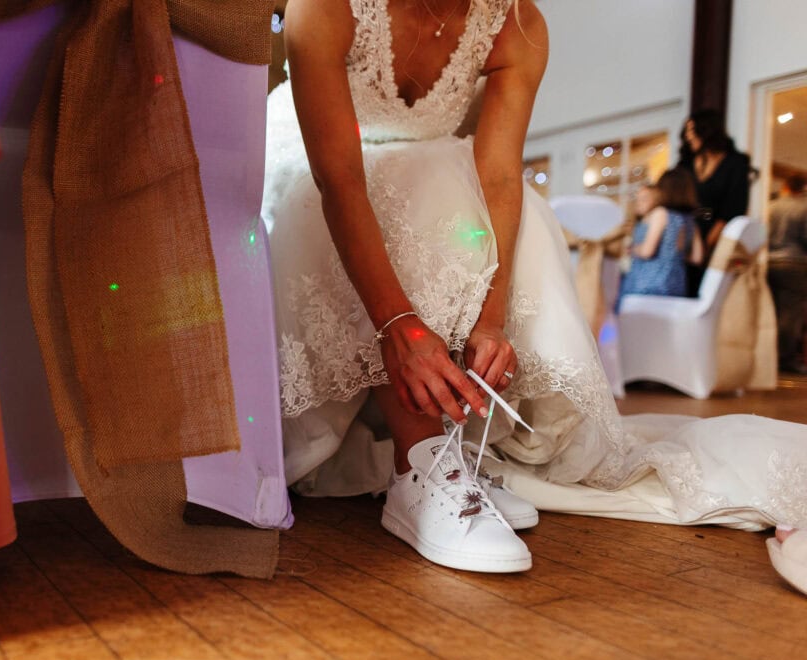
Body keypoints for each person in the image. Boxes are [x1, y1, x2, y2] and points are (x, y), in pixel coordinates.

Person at [264, 0, 806, 574]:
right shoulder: (323, 8)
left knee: (487, 205)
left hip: (425, 166)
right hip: (315, 163)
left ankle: (448, 448)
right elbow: (341, 178)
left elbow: (499, 174)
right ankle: (416, 464)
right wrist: (399, 324)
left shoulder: (517, 26)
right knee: (407, 189)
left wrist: (489, 318)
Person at [678, 109, 753, 296]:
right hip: (686, 234)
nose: (688, 136)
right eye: (686, 131)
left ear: (706, 130)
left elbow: (733, 208)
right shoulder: (685, 164)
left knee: (709, 292)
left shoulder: (735, 163)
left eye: (692, 130)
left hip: (718, 236)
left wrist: (707, 244)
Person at [618, 170, 703, 304]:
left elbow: (647, 251)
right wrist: (672, 255)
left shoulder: (661, 213)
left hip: (650, 284)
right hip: (677, 285)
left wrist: (632, 249)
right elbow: (697, 258)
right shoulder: (691, 221)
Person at [767, 174, 807, 374]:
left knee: (770, 311)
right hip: (794, 263)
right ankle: (785, 359)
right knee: (790, 314)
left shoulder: (770, 206)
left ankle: (767, 356)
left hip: (767, 261)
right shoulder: (804, 208)